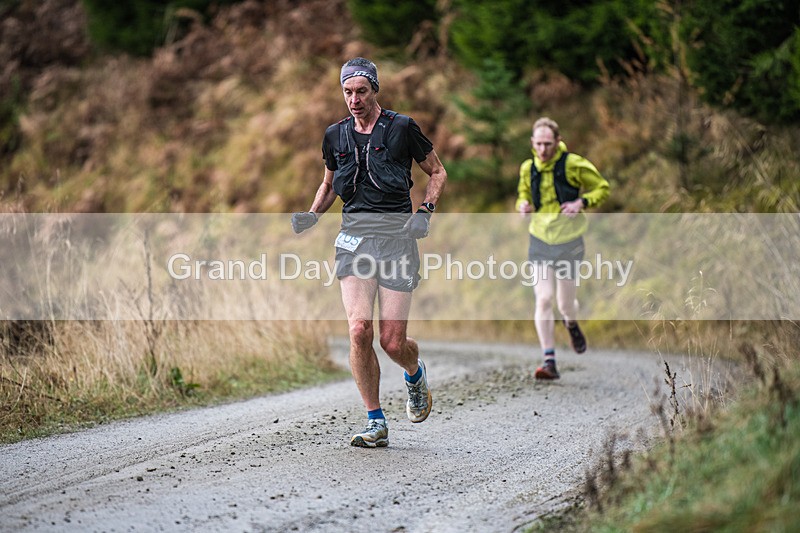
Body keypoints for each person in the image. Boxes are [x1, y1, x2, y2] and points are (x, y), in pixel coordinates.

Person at [291, 57, 447, 447]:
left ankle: (414, 373)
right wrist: (312, 215)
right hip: (354, 240)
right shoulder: (335, 135)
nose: (354, 99)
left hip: (397, 240)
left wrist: (425, 212)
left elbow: (438, 172)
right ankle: (375, 420)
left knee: (392, 342)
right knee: (359, 329)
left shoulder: (402, 128)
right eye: (347, 92)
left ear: (375, 89)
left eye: (361, 91)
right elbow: (328, 185)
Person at [516, 117, 609, 380]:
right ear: (532, 143)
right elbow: (522, 194)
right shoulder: (527, 168)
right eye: (538, 144)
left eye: (548, 144)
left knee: (565, 302)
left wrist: (582, 202)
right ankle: (549, 361)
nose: (543, 150)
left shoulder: (573, 164)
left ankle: (570, 322)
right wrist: (522, 205)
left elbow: (603, 187)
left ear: (558, 142)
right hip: (540, 239)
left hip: (569, 241)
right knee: (543, 298)